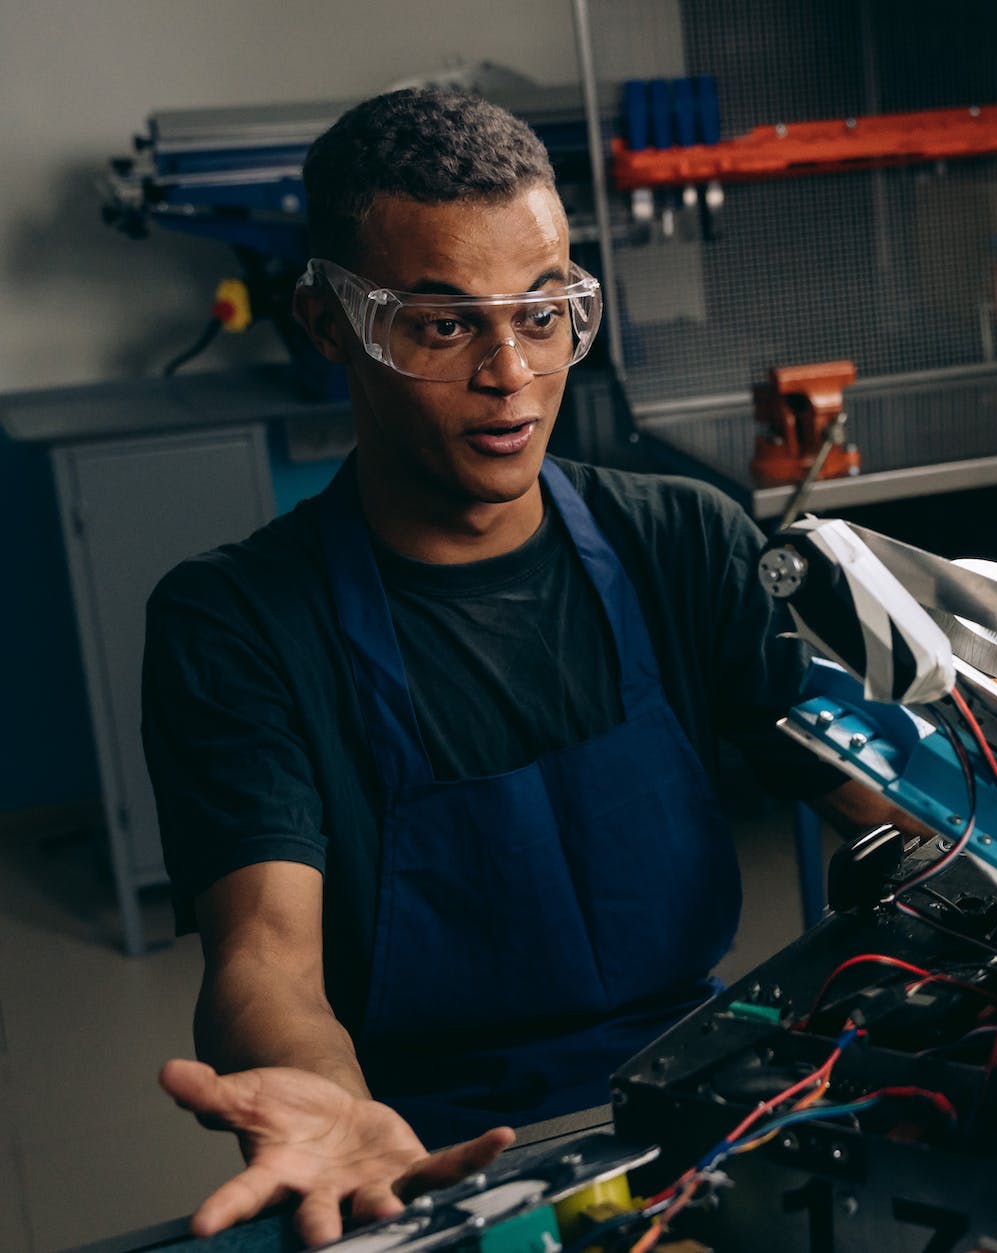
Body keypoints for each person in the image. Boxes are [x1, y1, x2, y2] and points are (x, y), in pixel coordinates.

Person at [142, 88, 856, 1243]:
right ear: (330, 323)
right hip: (429, 1146)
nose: (511, 372)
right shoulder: (235, 622)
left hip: (706, 1091)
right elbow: (266, 956)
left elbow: (894, 795)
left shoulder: (679, 539)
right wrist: (331, 1101)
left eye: (542, 312)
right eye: (442, 325)